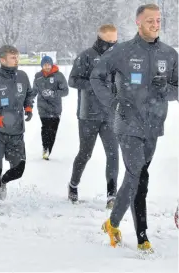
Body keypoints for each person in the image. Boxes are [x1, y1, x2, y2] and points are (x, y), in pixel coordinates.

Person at [90, 4, 178, 252]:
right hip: (127, 123)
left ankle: (113, 223)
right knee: (136, 173)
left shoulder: (169, 54)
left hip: (154, 125)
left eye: (158, 20)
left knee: (136, 177)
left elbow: (178, 88)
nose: (155, 24)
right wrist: (111, 101)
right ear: (138, 23)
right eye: (150, 20)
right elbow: (97, 76)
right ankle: (142, 236)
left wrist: (167, 90)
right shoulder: (122, 52)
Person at [67, 24, 119, 208]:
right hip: (88, 114)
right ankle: (73, 185)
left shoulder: (118, 56)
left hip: (110, 114)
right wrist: (95, 85)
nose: (113, 44)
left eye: (115, 41)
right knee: (85, 153)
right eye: (109, 41)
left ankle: (111, 195)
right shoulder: (86, 56)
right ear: (100, 38)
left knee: (113, 154)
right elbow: (72, 80)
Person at [0, 45, 34, 206]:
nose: (16, 60)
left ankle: (5, 180)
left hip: (17, 132)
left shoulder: (23, 76)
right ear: (2, 60)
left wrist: (29, 106)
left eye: (17, 57)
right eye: (13, 57)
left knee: (19, 169)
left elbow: (29, 94)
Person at [33, 56, 68, 160]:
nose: (47, 66)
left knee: (52, 130)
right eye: (45, 64)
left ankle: (49, 148)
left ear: (52, 64)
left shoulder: (59, 75)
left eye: (48, 64)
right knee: (45, 127)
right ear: (42, 65)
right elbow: (34, 91)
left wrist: (53, 93)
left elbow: (65, 91)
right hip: (42, 107)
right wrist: (28, 101)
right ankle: (45, 148)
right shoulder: (38, 76)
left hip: (55, 108)